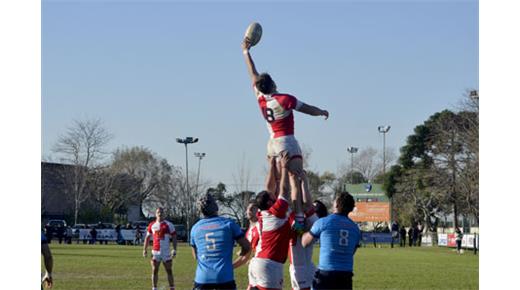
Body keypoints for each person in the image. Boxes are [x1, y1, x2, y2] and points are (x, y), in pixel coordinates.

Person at [241, 39, 329, 231]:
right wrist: (321, 111)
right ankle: (298, 218)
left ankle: (267, 213)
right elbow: (307, 109)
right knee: (294, 179)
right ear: (272, 83)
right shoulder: (284, 99)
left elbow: (253, 75)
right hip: (286, 142)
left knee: (272, 182)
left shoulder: (260, 98)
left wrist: (246, 52)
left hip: (271, 143)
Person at [249, 152, 294, 290]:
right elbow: (285, 190)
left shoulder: (263, 212)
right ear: (269, 201)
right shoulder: (276, 212)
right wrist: (285, 168)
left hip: (258, 262)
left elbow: (269, 189)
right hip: (269, 264)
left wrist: (273, 165)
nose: (274, 194)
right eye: (272, 196)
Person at [301, 192, 361, 290]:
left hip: (326, 274)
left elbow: (305, 243)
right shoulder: (355, 229)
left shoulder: (323, 222)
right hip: (345, 276)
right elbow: (352, 252)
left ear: (336, 204)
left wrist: (301, 228)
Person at [191, 193, 251, 290]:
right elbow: (247, 247)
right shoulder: (228, 224)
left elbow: (195, 256)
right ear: (216, 206)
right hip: (224, 277)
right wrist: (238, 258)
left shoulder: (195, 228)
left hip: (202, 278)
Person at [288, 172, 321, 290]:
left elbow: (306, 204)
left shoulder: (303, 215)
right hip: (299, 266)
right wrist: (301, 182)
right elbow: (299, 230)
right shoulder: (293, 216)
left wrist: (302, 182)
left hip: (305, 265)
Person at [143, 207, 177, 290]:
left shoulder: (169, 225)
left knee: (169, 270)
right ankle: (154, 288)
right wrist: (145, 249)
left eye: (161, 212)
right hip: (155, 252)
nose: (160, 214)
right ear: (155, 214)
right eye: (158, 212)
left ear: (164, 214)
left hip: (166, 252)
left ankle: (172, 287)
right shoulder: (152, 225)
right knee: (154, 270)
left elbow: (174, 237)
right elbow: (147, 238)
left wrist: (174, 249)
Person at [232, 201, 260, 290]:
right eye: (248, 209)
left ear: (258, 211)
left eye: (252, 209)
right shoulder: (248, 232)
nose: (248, 211)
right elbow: (247, 255)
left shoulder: (261, 226)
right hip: (253, 270)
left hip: (262, 270)